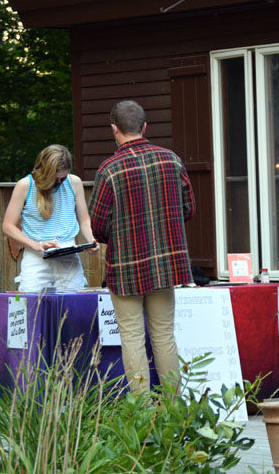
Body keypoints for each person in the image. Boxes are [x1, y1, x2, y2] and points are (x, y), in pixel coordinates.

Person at [89, 100, 194, 395]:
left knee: (132, 338)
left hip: (125, 266)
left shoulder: (109, 170)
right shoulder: (171, 160)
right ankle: (174, 414)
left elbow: (98, 225)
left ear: (114, 129)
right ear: (144, 127)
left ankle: (143, 416)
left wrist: (119, 234)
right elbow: (188, 208)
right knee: (164, 337)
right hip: (165, 263)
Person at [2, 144, 98, 292]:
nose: (59, 183)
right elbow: (8, 226)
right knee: (33, 308)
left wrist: (91, 241)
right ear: (44, 172)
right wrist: (34, 245)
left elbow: (84, 220)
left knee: (72, 307)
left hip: (68, 254)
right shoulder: (25, 185)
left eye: (63, 178)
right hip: (36, 256)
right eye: (55, 179)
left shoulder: (74, 183)